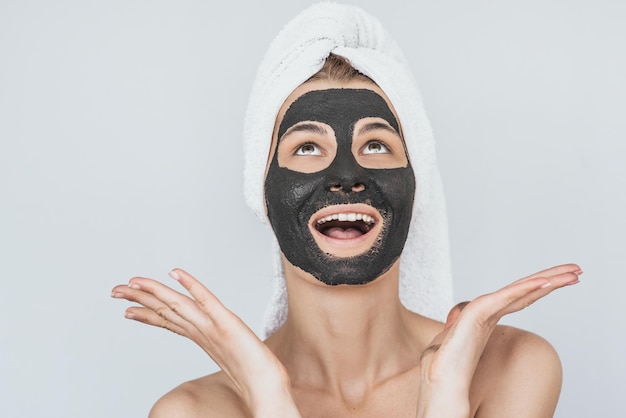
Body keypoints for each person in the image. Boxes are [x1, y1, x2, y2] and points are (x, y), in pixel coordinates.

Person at [111, 4, 580, 417]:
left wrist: (443, 394)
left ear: (416, 183)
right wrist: (268, 394)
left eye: (376, 144)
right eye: (307, 147)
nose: (346, 175)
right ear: (263, 190)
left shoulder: (510, 367)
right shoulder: (195, 412)